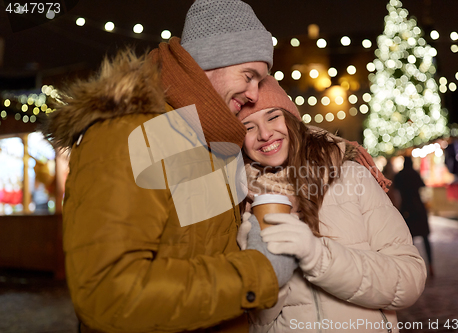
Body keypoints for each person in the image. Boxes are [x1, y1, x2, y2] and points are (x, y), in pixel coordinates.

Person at [42, 1, 297, 332]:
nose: (253, 95)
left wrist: (337, 150)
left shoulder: (211, 138)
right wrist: (259, 272)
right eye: (249, 77)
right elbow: (109, 294)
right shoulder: (128, 135)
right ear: (210, 60)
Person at [237, 76, 427, 332]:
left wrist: (317, 255)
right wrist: (263, 267)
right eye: (248, 127)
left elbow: (410, 281)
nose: (265, 133)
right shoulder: (241, 201)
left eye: (273, 117)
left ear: (292, 119)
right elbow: (258, 322)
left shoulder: (351, 176)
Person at [393, 156, 434, 277]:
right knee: (425, 238)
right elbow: (422, 186)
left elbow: (396, 193)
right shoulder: (415, 174)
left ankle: (414, 269)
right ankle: (431, 265)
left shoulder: (399, 176)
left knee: (410, 241)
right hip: (418, 208)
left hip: (406, 209)